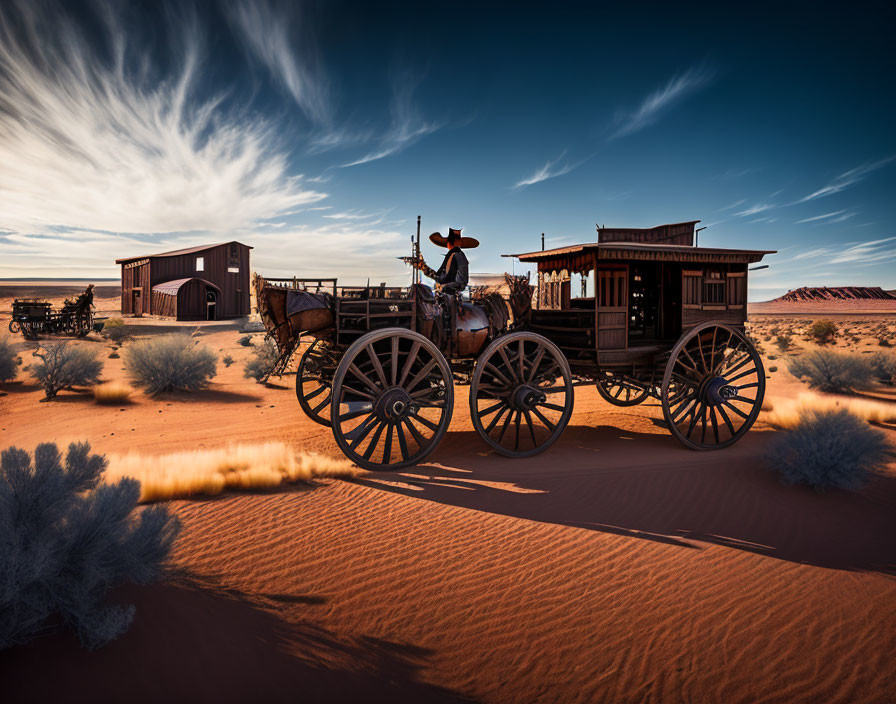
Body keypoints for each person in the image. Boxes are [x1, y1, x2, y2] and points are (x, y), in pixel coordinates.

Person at [426, 227, 478, 295]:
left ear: (449, 243)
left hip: (450, 295)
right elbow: (440, 277)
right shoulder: (453, 255)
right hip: (445, 293)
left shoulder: (458, 255)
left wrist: (446, 287)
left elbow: (461, 281)